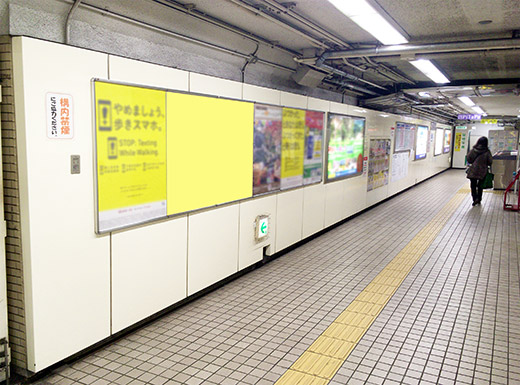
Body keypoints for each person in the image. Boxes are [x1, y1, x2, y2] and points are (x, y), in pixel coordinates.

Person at [466, 136, 493, 206]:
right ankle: (479, 199)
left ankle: (474, 199)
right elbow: (490, 161)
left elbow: (468, 158)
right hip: (482, 171)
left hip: (473, 170)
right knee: (480, 185)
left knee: (473, 185)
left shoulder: (473, 150)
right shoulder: (487, 151)